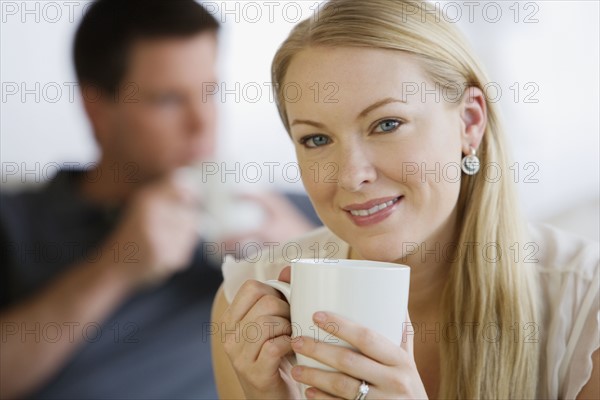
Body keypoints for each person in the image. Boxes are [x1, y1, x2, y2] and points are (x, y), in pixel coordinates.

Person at [210, 0, 600, 398]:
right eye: (317, 139)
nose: (351, 174)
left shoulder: (587, 307)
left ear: (469, 122)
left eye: (387, 124)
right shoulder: (249, 304)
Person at [0, 1, 317, 398]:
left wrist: (312, 255)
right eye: (167, 99)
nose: (202, 122)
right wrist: (115, 267)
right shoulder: (17, 224)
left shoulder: (293, 217)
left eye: (210, 91)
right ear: (96, 108)